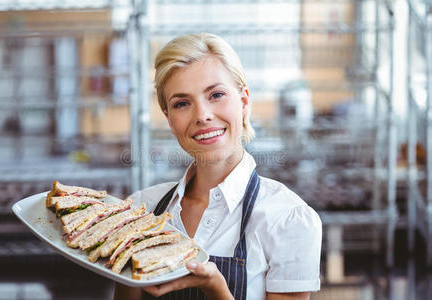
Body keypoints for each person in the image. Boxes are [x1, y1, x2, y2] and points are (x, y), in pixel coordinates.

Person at [114, 33, 322, 300]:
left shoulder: (288, 219)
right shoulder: (141, 212)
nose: (202, 115)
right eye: (182, 103)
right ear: (168, 117)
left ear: (244, 101)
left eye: (216, 94)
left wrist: (216, 289)